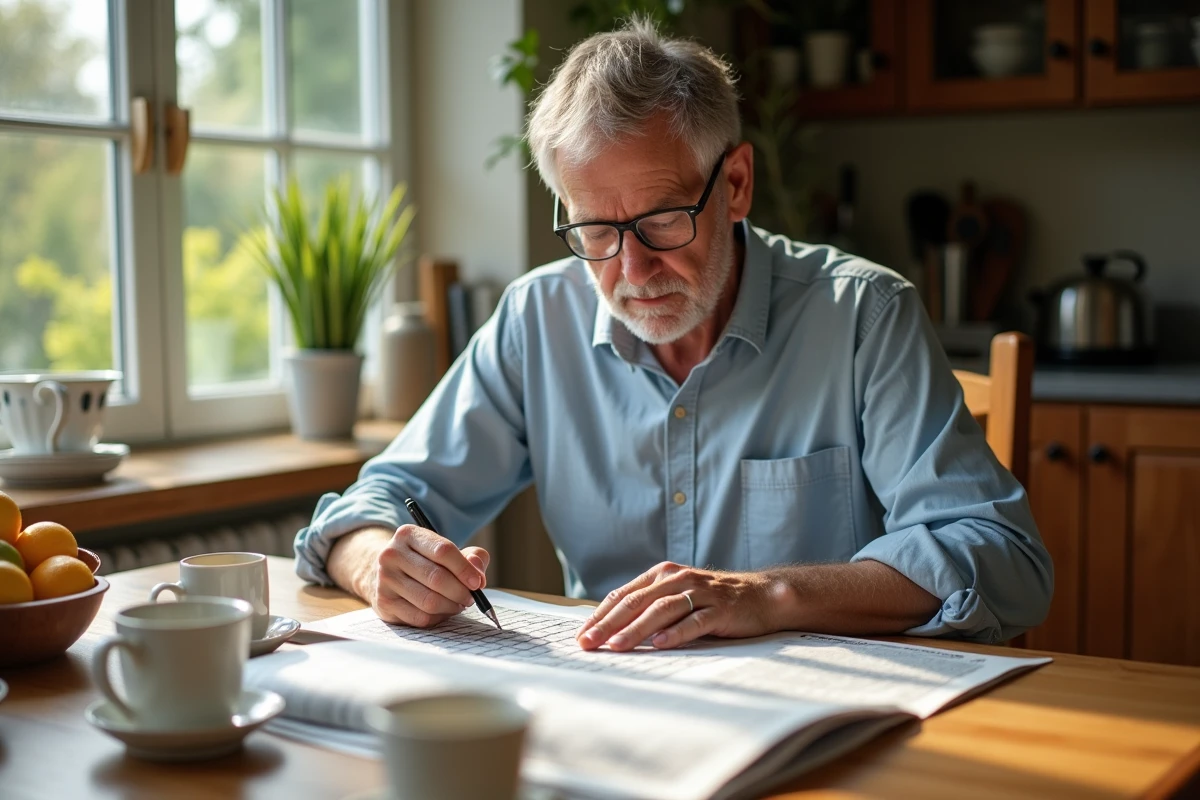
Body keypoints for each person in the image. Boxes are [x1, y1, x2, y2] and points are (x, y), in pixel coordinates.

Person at [294, 18, 1052, 650]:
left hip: (834, 714)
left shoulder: (863, 317)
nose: (632, 268)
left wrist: (770, 594)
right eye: (594, 229)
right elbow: (385, 499)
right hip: (619, 714)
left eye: (661, 220)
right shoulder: (538, 320)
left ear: (736, 186)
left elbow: (1002, 559)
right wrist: (375, 566)